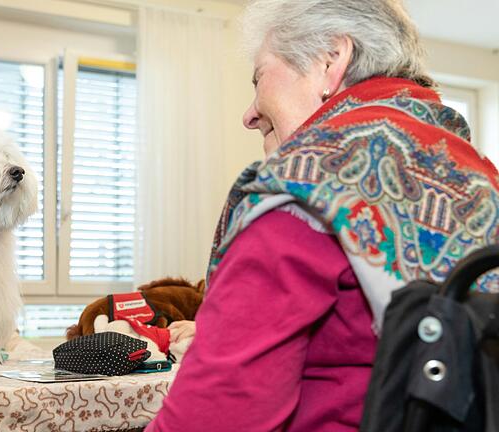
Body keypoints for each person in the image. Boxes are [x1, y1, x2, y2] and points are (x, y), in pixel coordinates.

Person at [145, 0, 499, 431]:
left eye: (259, 77)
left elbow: (213, 417)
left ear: (331, 60)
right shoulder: (476, 175)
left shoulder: (306, 188)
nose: (249, 113)